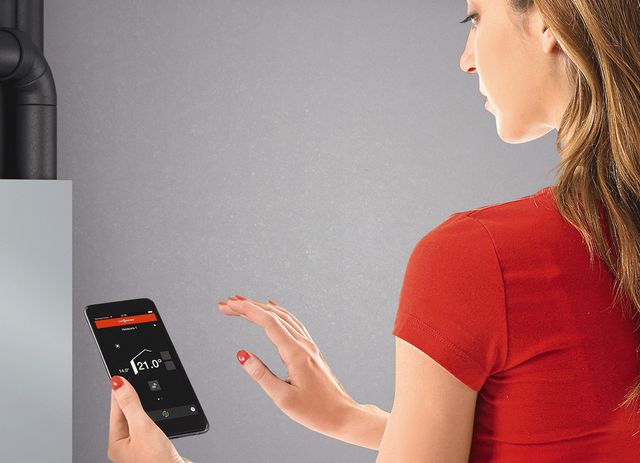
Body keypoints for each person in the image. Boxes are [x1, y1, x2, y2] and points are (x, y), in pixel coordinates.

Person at [105, 0, 640, 461]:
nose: (467, 60)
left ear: (546, 20)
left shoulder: (479, 257)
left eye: (475, 18)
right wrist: (351, 419)